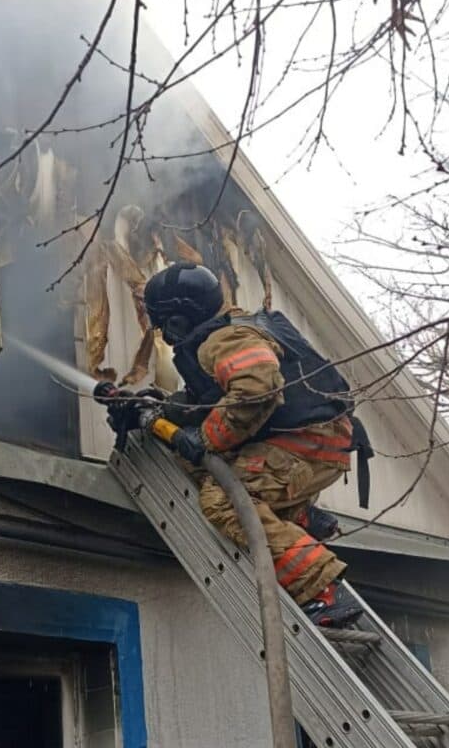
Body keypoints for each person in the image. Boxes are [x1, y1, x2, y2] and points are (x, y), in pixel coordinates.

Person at [141, 262, 371, 628]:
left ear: (180, 319)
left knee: (225, 501)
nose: (168, 336)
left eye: (166, 325)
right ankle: (299, 516)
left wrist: (203, 438)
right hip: (312, 441)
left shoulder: (223, 340)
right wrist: (171, 408)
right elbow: (220, 393)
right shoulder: (238, 327)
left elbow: (256, 387)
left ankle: (321, 590)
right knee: (199, 465)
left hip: (306, 444)